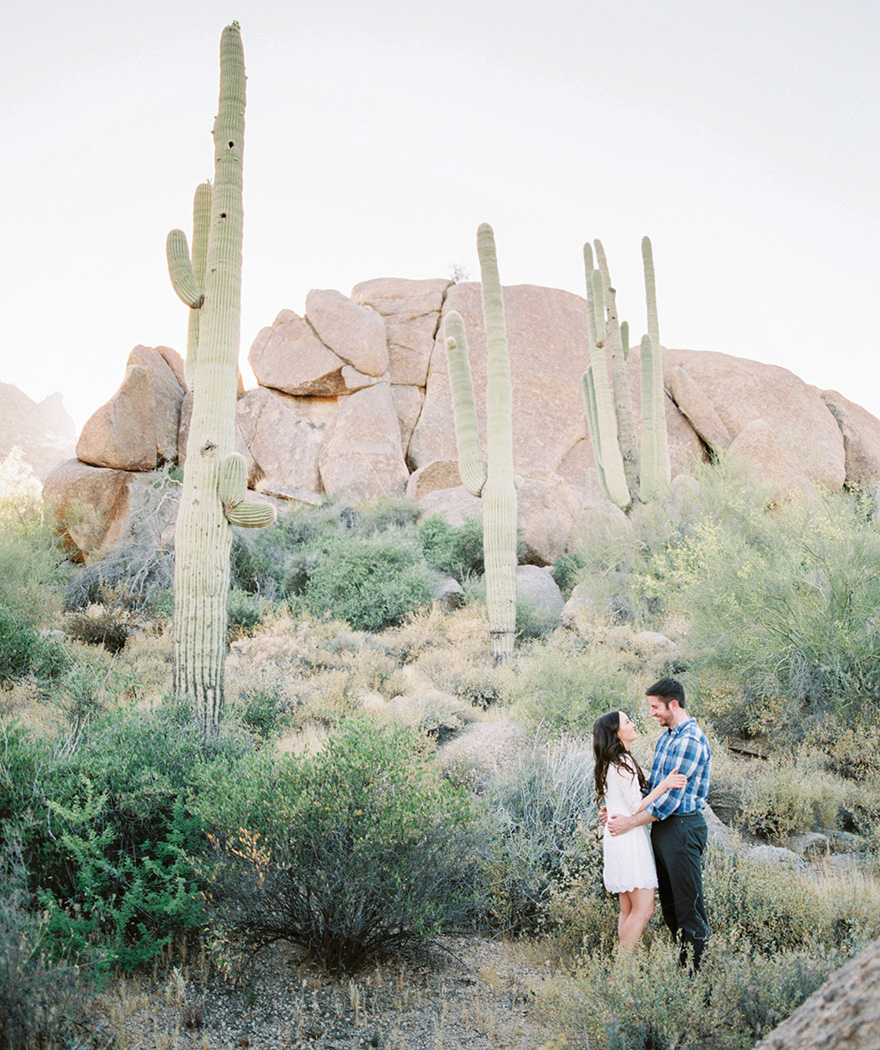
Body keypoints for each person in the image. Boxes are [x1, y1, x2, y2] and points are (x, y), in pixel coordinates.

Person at [607, 678, 712, 971]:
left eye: (655, 707)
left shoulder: (689, 740)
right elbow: (653, 787)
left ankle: (697, 980)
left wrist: (629, 822)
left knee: (688, 908)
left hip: (682, 827)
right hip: (662, 829)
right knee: (671, 909)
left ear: (673, 705)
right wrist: (618, 809)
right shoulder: (667, 738)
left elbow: (670, 801)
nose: (652, 712)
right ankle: (684, 970)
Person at [593, 710, 687, 952]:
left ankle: (625, 970)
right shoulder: (622, 762)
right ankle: (623, 970)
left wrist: (608, 811)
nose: (632, 724)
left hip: (618, 838)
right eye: (627, 722)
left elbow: (621, 801)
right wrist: (665, 785)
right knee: (644, 910)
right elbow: (636, 805)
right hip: (629, 841)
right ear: (616, 733)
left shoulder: (610, 762)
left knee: (628, 908)